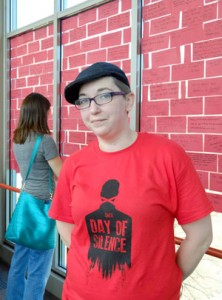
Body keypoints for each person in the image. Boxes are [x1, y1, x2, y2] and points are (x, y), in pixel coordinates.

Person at [49, 62, 213, 300]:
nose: (92, 109)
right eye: (84, 101)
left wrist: (165, 281)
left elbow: (200, 235)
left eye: (103, 96)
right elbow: (64, 222)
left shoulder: (167, 156)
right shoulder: (74, 164)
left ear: (128, 100)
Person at [6, 92, 63, 300]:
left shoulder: (18, 139)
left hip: (26, 203)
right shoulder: (45, 141)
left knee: (19, 262)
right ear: (41, 112)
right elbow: (62, 174)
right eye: (48, 111)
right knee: (39, 268)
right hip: (43, 207)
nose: (50, 114)